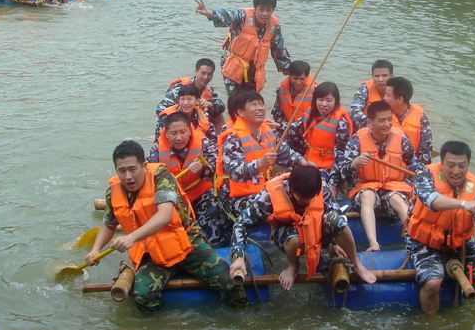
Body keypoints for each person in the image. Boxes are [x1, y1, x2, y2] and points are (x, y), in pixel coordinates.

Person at [84, 140, 247, 314]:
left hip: (186, 243)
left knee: (230, 283)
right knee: (143, 296)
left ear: (144, 166)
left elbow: (165, 215)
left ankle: (240, 317)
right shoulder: (113, 192)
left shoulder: (161, 177)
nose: (128, 176)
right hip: (152, 252)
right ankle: (164, 321)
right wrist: (95, 250)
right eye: (121, 171)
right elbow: (109, 224)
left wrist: (131, 238)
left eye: (132, 169)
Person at [230, 164, 377, 290]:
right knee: (294, 239)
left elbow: (334, 212)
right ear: (292, 189)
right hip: (289, 235)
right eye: (302, 200)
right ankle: (293, 266)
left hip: (316, 230)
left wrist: (334, 244)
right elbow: (241, 223)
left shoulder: (322, 188)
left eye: (310, 199)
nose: (306, 202)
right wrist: (239, 256)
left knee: (338, 221)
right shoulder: (268, 196)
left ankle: (357, 264)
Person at [406, 141, 475, 313]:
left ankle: (461, 304)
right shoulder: (425, 174)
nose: (456, 171)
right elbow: (432, 201)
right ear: (442, 163)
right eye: (451, 165)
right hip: (424, 241)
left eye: (462, 166)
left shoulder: (474, 187)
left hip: (459, 242)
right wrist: (464, 204)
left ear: (468, 165)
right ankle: (433, 321)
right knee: (432, 283)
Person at [216, 90, 312, 217]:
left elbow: (286, 154)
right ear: (240, 112)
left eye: (261, 104)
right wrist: (259, 164)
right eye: (254, 104)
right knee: (276, 199)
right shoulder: (233, 139)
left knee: (304, 179)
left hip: (264, 188)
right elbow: (234, 173)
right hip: (237, 198)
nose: (260, 108)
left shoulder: (267, 132)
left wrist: (302, 162)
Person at [342, 101, 418, 251]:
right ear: (370, 123)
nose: (387, 124)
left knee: (396, 198)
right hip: (367, 190)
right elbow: (344, 174)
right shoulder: (356, 140)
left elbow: (414, 167)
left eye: (389, 119)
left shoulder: (402, 139)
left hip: (394, 190)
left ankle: (415, 238)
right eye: (382, 120)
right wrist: (355, 163)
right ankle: (373, 243)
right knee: (367, 196)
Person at [147, 112, 228, 247]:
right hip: (173, 198)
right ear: (166, 134)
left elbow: (218, 166)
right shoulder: (156, 150)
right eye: (174, 133)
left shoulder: (203, 142)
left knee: (216, 213)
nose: (179, 137)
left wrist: (203, 170)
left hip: (200, 194)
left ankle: (217, 246)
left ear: (190, 131)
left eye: (183, 132)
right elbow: (149, 178)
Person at [194, 0, 291, 95]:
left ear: (273, 10)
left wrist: (291, 71)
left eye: (268, 10)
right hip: (233, 65)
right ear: (255, 9)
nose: (265, 14)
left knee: (252, 99)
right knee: (235, 99)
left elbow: (279, 50)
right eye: (261, 9)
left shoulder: (274, 26)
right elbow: (227, 15)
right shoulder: (242, 16)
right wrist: (209, 14)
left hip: (254, 69)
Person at [286, 81, 352, 194]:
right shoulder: (311, 113)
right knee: (286, 183)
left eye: (328, 100)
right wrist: (278, 127)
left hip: (328, 168)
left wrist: (333, 182)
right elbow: (294, 129)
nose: (324, 104)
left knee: (315, 189)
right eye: (320, 100)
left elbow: (341, 155)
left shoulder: (341, 123)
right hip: (307, 161)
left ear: (336, 101)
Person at [384, 77, 433, 170]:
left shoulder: (422, 120)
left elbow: (425, 154)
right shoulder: (380, 115)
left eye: (388, 95)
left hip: (410, 169)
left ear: (400, 99)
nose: (384, 98)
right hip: (385, 168)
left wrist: (415, 173)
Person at [156, 58, 227, 123]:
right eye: (203, 73)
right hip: (178, 123)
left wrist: (210, 104)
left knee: (218, 115)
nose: (206, 77)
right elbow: (161, 109)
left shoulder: (209, 90)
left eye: (209, 74)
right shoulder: (180, 88)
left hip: (197, 122)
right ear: (196, 71)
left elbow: (222, 106)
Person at [351, 60, 395, 129]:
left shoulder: (397, 91)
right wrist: (374, 127)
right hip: (368, 127)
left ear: (392, 76)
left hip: (390, 127)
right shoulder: (365, 88)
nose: (380, 79)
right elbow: (354, 110)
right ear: (372, 76)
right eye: (377, 76)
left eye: (384, 75)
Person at [272, 60, 316, 129]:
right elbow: (276, 113)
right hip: (285, 128)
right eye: (295, 78)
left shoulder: (316, 92)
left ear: (307, 77)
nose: (298, 82)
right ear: (290, 75)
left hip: (306, 128)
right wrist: (286, 126)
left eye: (302, 79)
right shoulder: (280, 90)